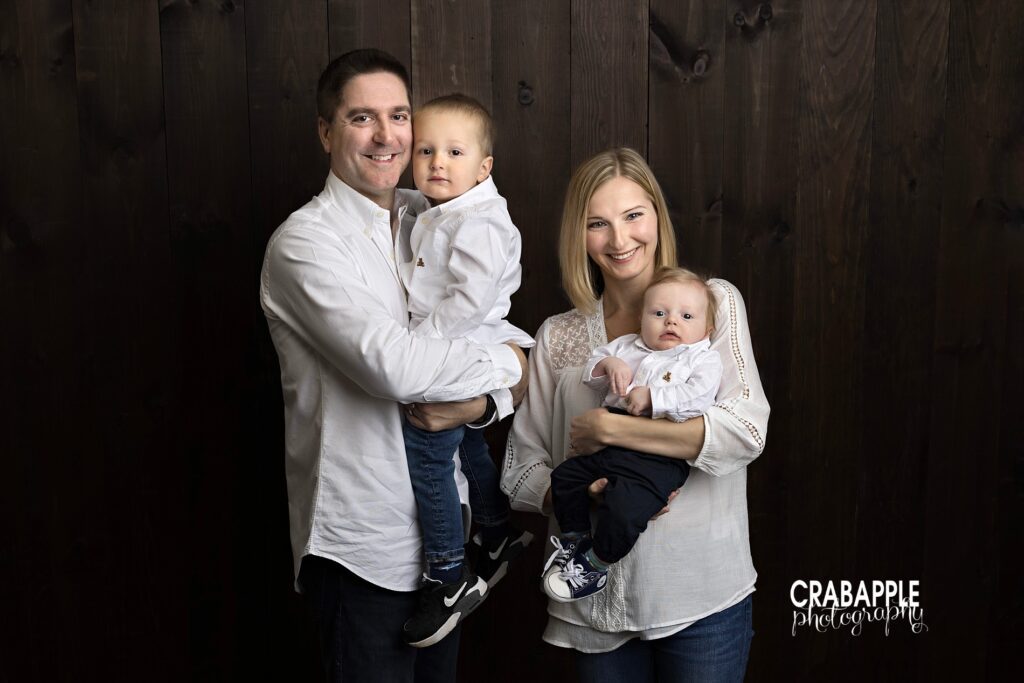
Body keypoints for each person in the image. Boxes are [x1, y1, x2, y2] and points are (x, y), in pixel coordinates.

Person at [259, 49, 527, 683]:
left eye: (399, 115)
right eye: (361, 117)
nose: (387, 136)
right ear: (326, 132)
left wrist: (487, 400)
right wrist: (504, 366)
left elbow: (513, 339)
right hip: (363, 551)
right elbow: (396, 370)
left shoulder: (433, 213)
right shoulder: (305, 244)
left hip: (446, 552)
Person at [502, 147, 768, 682]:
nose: (620, 241)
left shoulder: (709, 305)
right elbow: (519, 471)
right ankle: (588, 558)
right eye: (597, 223)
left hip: (701, 597)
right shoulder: (561, 336)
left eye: (632, 216)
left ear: (657, 218)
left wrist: (613, 428)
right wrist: (584, 494)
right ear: (578, 235)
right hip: (596, 619)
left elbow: (745, 430)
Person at [399, 93, 535, 648]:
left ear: (484, 168)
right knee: (469, 450)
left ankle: (448, 574)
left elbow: (467, 301)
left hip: (456, 348)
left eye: (454, 152)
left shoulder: (478, 222)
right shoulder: (445, 209)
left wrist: (419, 349)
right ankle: (497, 530)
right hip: (461, 347)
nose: (438, 163)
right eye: (426, 150)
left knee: (429, 455)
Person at [543, 267, 723, 603]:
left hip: (660, 451)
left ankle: (596, 565)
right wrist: (609, 365)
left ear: (706, 330)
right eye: (659, 313)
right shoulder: (628, 346)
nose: (671, 322)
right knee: (565, 478)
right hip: (609, 441)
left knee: (625, 509)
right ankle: (575, 539)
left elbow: (698, 399)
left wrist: (655, 398)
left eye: (686, 316)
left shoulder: (702, 359)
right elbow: (592, 373)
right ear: (642, 318)